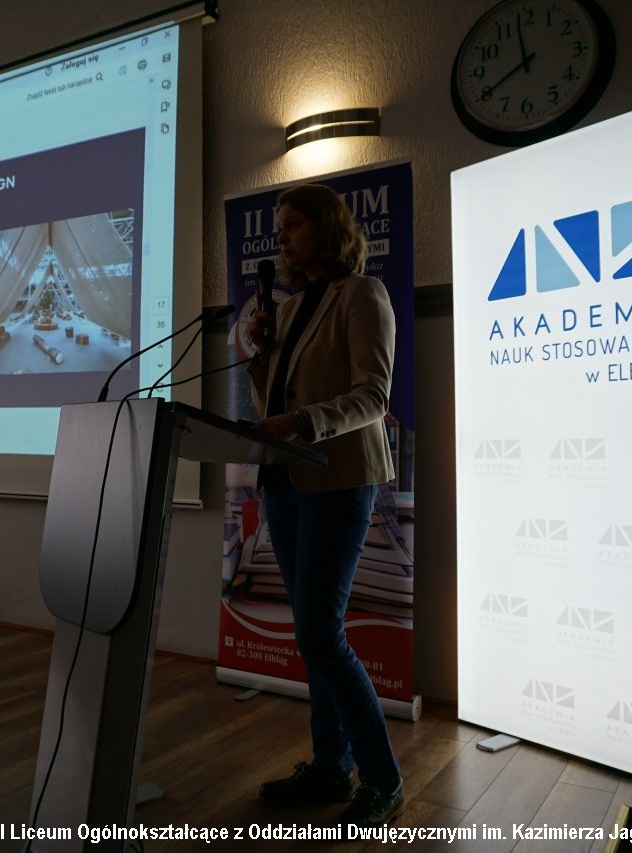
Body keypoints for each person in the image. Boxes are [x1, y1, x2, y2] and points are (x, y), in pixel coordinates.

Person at [245, 183, 402, 828]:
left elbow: (373, 396)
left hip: (339, 478)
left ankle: (382, 780)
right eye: (278, 227)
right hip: (285, 479)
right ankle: (331, 768)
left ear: (327, 229)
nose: (281, 237)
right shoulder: (285, 309)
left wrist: (302, 423)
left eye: (293, 225)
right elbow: (271, 402)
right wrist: (259, 356)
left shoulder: (362, 295)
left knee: (319, 634)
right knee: (313, 637)